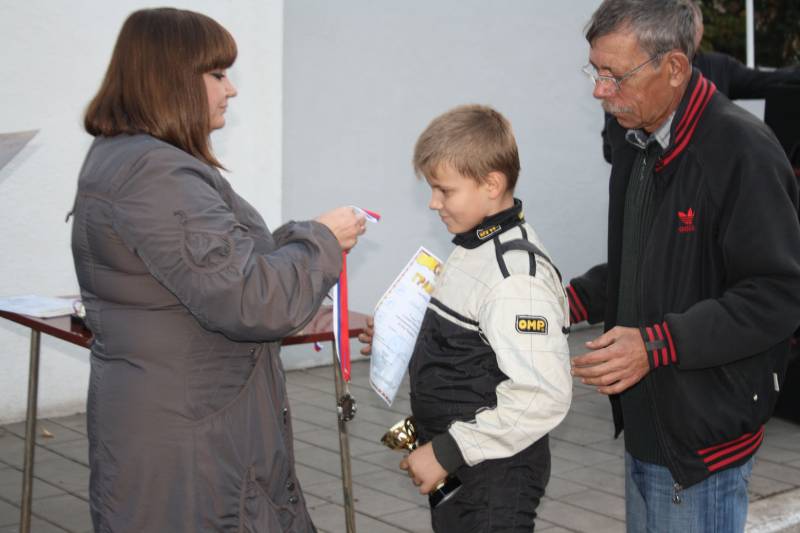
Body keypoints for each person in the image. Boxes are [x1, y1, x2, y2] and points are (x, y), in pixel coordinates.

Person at [70, 8, 366, 532]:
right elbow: (249, 301)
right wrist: (322, 241)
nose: (231, 89)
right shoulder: (157, 174)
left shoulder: (128, 158)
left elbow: (217, 266)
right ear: (173, 80)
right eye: (217, 74)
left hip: (176, 423)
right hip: (193, 443)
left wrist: (300, 241)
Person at [570, 1, 800, 531]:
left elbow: (779, 293)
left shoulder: (743, 151)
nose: (600, 91)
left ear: (674, 67)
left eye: (615, 75)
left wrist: (656, 345)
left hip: (703, 445)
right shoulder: (634, 137)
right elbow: (649, 259)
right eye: (595, 71)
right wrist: (570, 299)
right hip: (648, 427)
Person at [363, 104, 572, 532]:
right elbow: (474, 342)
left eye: (445, 190)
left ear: (491, 184)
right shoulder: (473, 246)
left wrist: (447, 451)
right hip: (465, 467)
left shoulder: (515, 278)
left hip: (494, 476)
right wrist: (402, 340)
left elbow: (542, 394)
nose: (433, 203)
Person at [599, 0, 800, 164]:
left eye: (692, 25)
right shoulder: (630, 76)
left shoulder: (719, 66)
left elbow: (765, 81)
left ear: (700, 30)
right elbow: (611, 146)